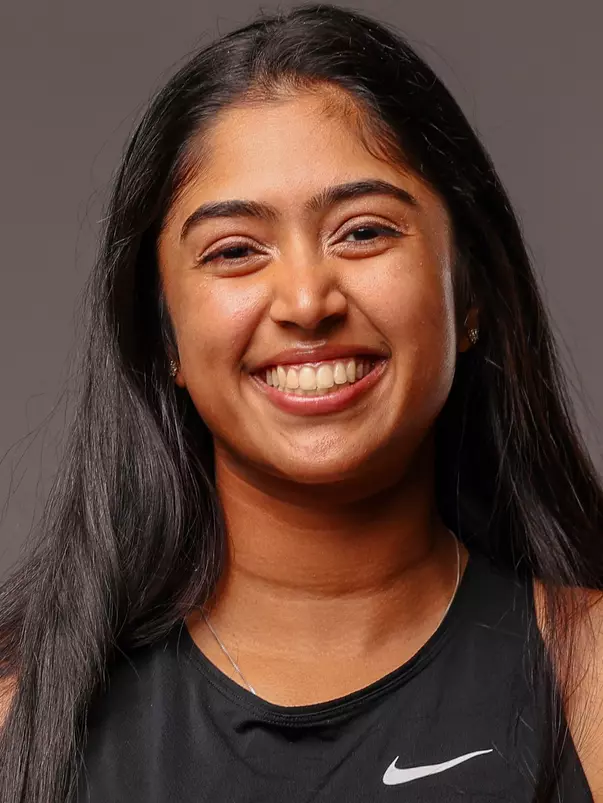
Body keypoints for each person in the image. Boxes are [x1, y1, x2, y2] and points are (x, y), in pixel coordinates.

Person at [1, 3, 602, 801]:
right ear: (166, 337)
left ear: (470, 298)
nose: (307, 299)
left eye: (362, 232)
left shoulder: (590, 677)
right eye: (235, 250)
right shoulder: (19, 711)